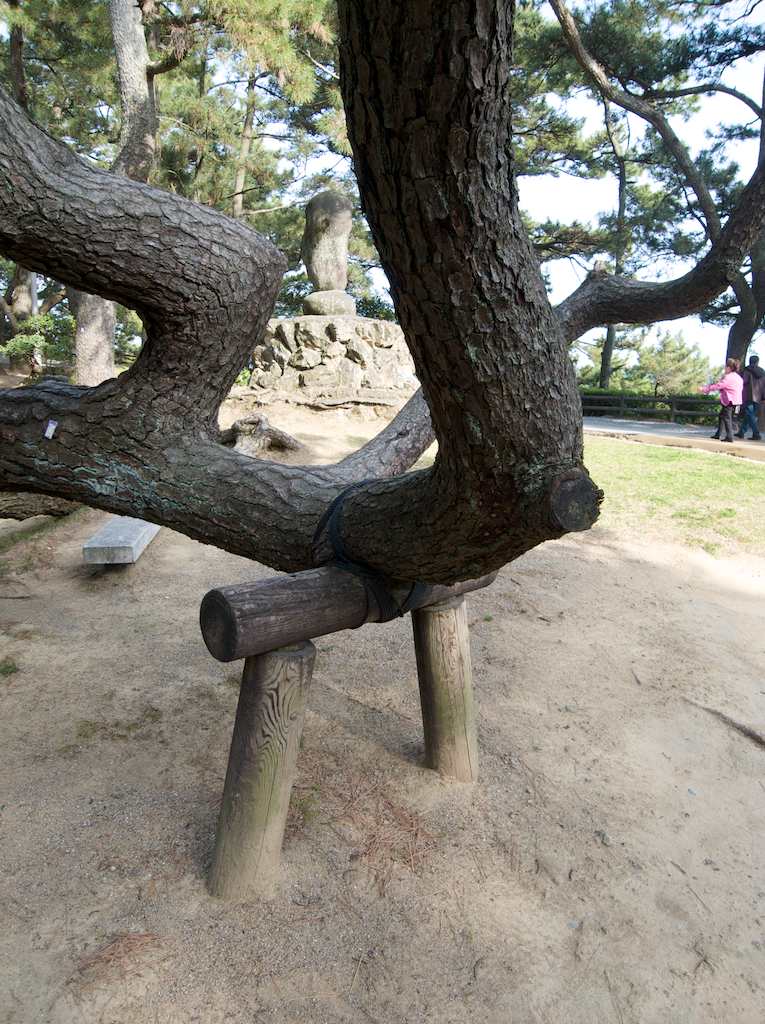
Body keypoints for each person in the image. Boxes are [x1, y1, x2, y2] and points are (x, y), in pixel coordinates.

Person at [701, 358, 743, 443]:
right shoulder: (738, 378)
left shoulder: (728, 377)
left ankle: (729, 436)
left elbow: (718, 386)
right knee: (722, 416)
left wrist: (705, 389)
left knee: (727, 418)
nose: (724, 369)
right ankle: (718, 434)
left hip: (729, 400)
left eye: (725, 367)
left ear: (729, 368)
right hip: (737, 401)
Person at [735, 354, 764, 441]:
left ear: (749, 361)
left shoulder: (747, 370)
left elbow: (744, 381)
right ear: (757, 362)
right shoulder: (763, 372)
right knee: (749, 415)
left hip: (748, 396)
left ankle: (756, 434)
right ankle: (741, 433)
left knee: (750, 415)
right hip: (758, 397)